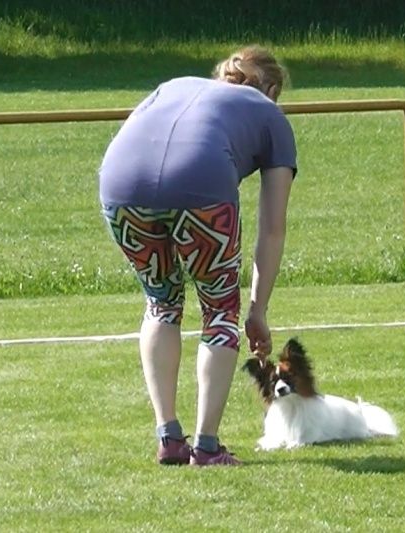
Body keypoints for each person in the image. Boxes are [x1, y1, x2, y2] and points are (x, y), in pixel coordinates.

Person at [98, 45, 297, 466]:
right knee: (221, 312)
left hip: (119, 184)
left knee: (162, 302)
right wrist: (258, 309)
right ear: (273, 88)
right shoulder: (270, 114)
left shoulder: (174, 86)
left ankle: (169, 437)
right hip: (202, 187)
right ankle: (206, 446)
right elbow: (273, 228)